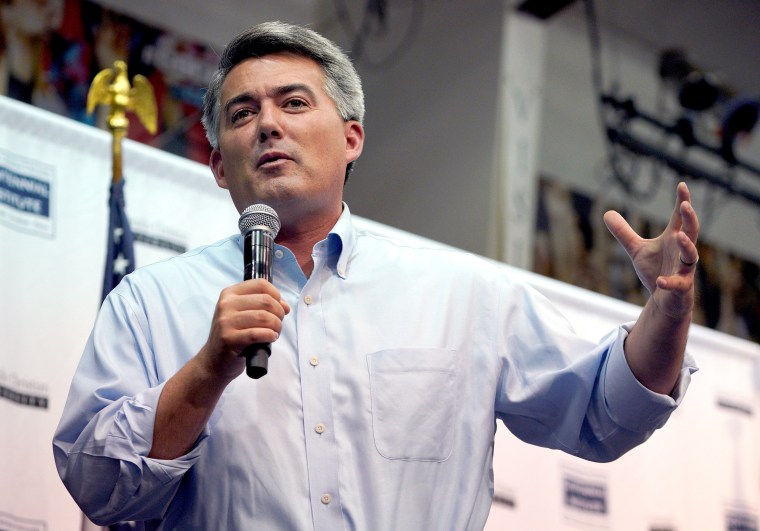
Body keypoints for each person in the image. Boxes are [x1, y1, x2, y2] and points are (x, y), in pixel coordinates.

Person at [53, 21, 699, 530]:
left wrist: (666, 317)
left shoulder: (463, 293)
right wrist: (206, 371)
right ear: (219, 166)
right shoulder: (149, 302)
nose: (268, 123)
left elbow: (605, 409)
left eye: (293, 102)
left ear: (353, 137)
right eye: (242, 113)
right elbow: (96, 485)